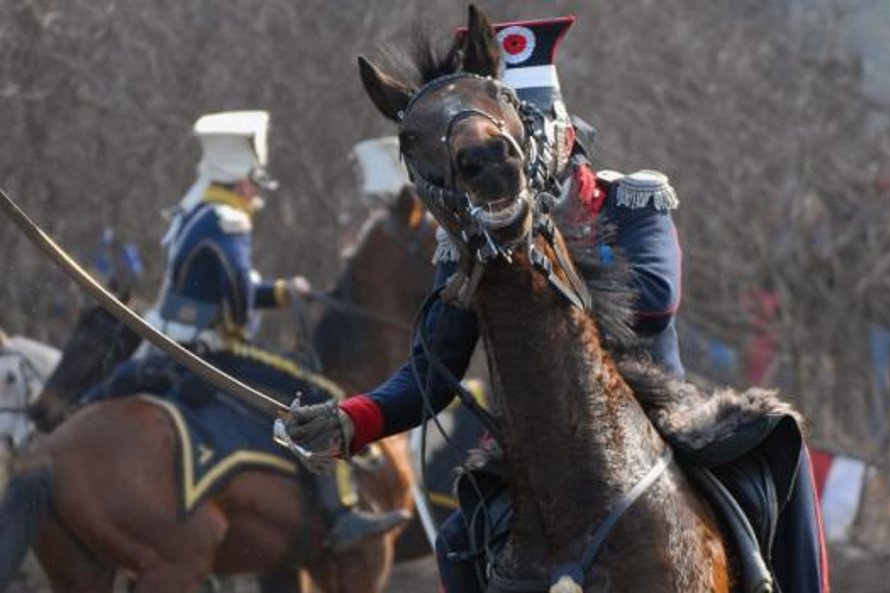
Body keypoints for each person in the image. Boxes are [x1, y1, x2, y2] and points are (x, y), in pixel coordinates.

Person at [279, 14, 827, 593]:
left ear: (562, 135)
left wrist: (541, 249)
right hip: (534, 446)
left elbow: (654, 302)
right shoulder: (472, 240)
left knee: (775, 448)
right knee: (456, 541)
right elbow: (430, 370)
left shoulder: (630, 199)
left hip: (661, 413)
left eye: (531, 134)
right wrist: (352, 420)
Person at [86, 110, 409, 552]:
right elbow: (237, 296)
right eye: (255, 184)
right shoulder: (230, 220)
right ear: (243, 182)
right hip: (208, 349)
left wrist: (282, 291)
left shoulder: (195, 211)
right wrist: (267, 304)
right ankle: (341, 513)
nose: (257, 193)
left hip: (174, 341)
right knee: (320, 391)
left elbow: (224, 285)